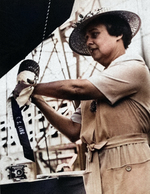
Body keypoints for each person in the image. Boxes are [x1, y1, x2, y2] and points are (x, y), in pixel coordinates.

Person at [13, 8, 150, 194]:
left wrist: (30, 87)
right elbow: (73, 130)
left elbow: (77, 89)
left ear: (118, 34)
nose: (89, 42)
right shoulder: (98, 82)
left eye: (94, 34)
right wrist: (37, 99)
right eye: (86, 38)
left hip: (131, 163)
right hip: (98, 167)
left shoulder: (133, 67)